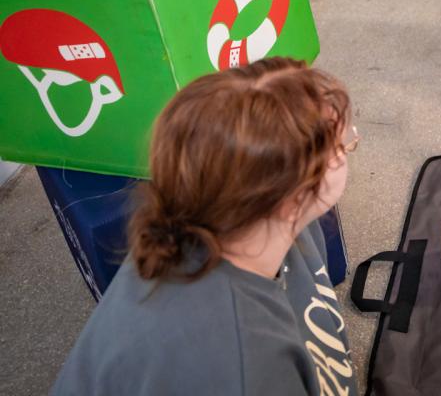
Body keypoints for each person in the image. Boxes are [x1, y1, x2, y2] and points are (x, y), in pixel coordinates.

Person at [53, 58, 359, 396]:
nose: (352, 141)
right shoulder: (244, 367)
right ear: (293, 195)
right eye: (344, 145)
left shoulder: (203, 219)